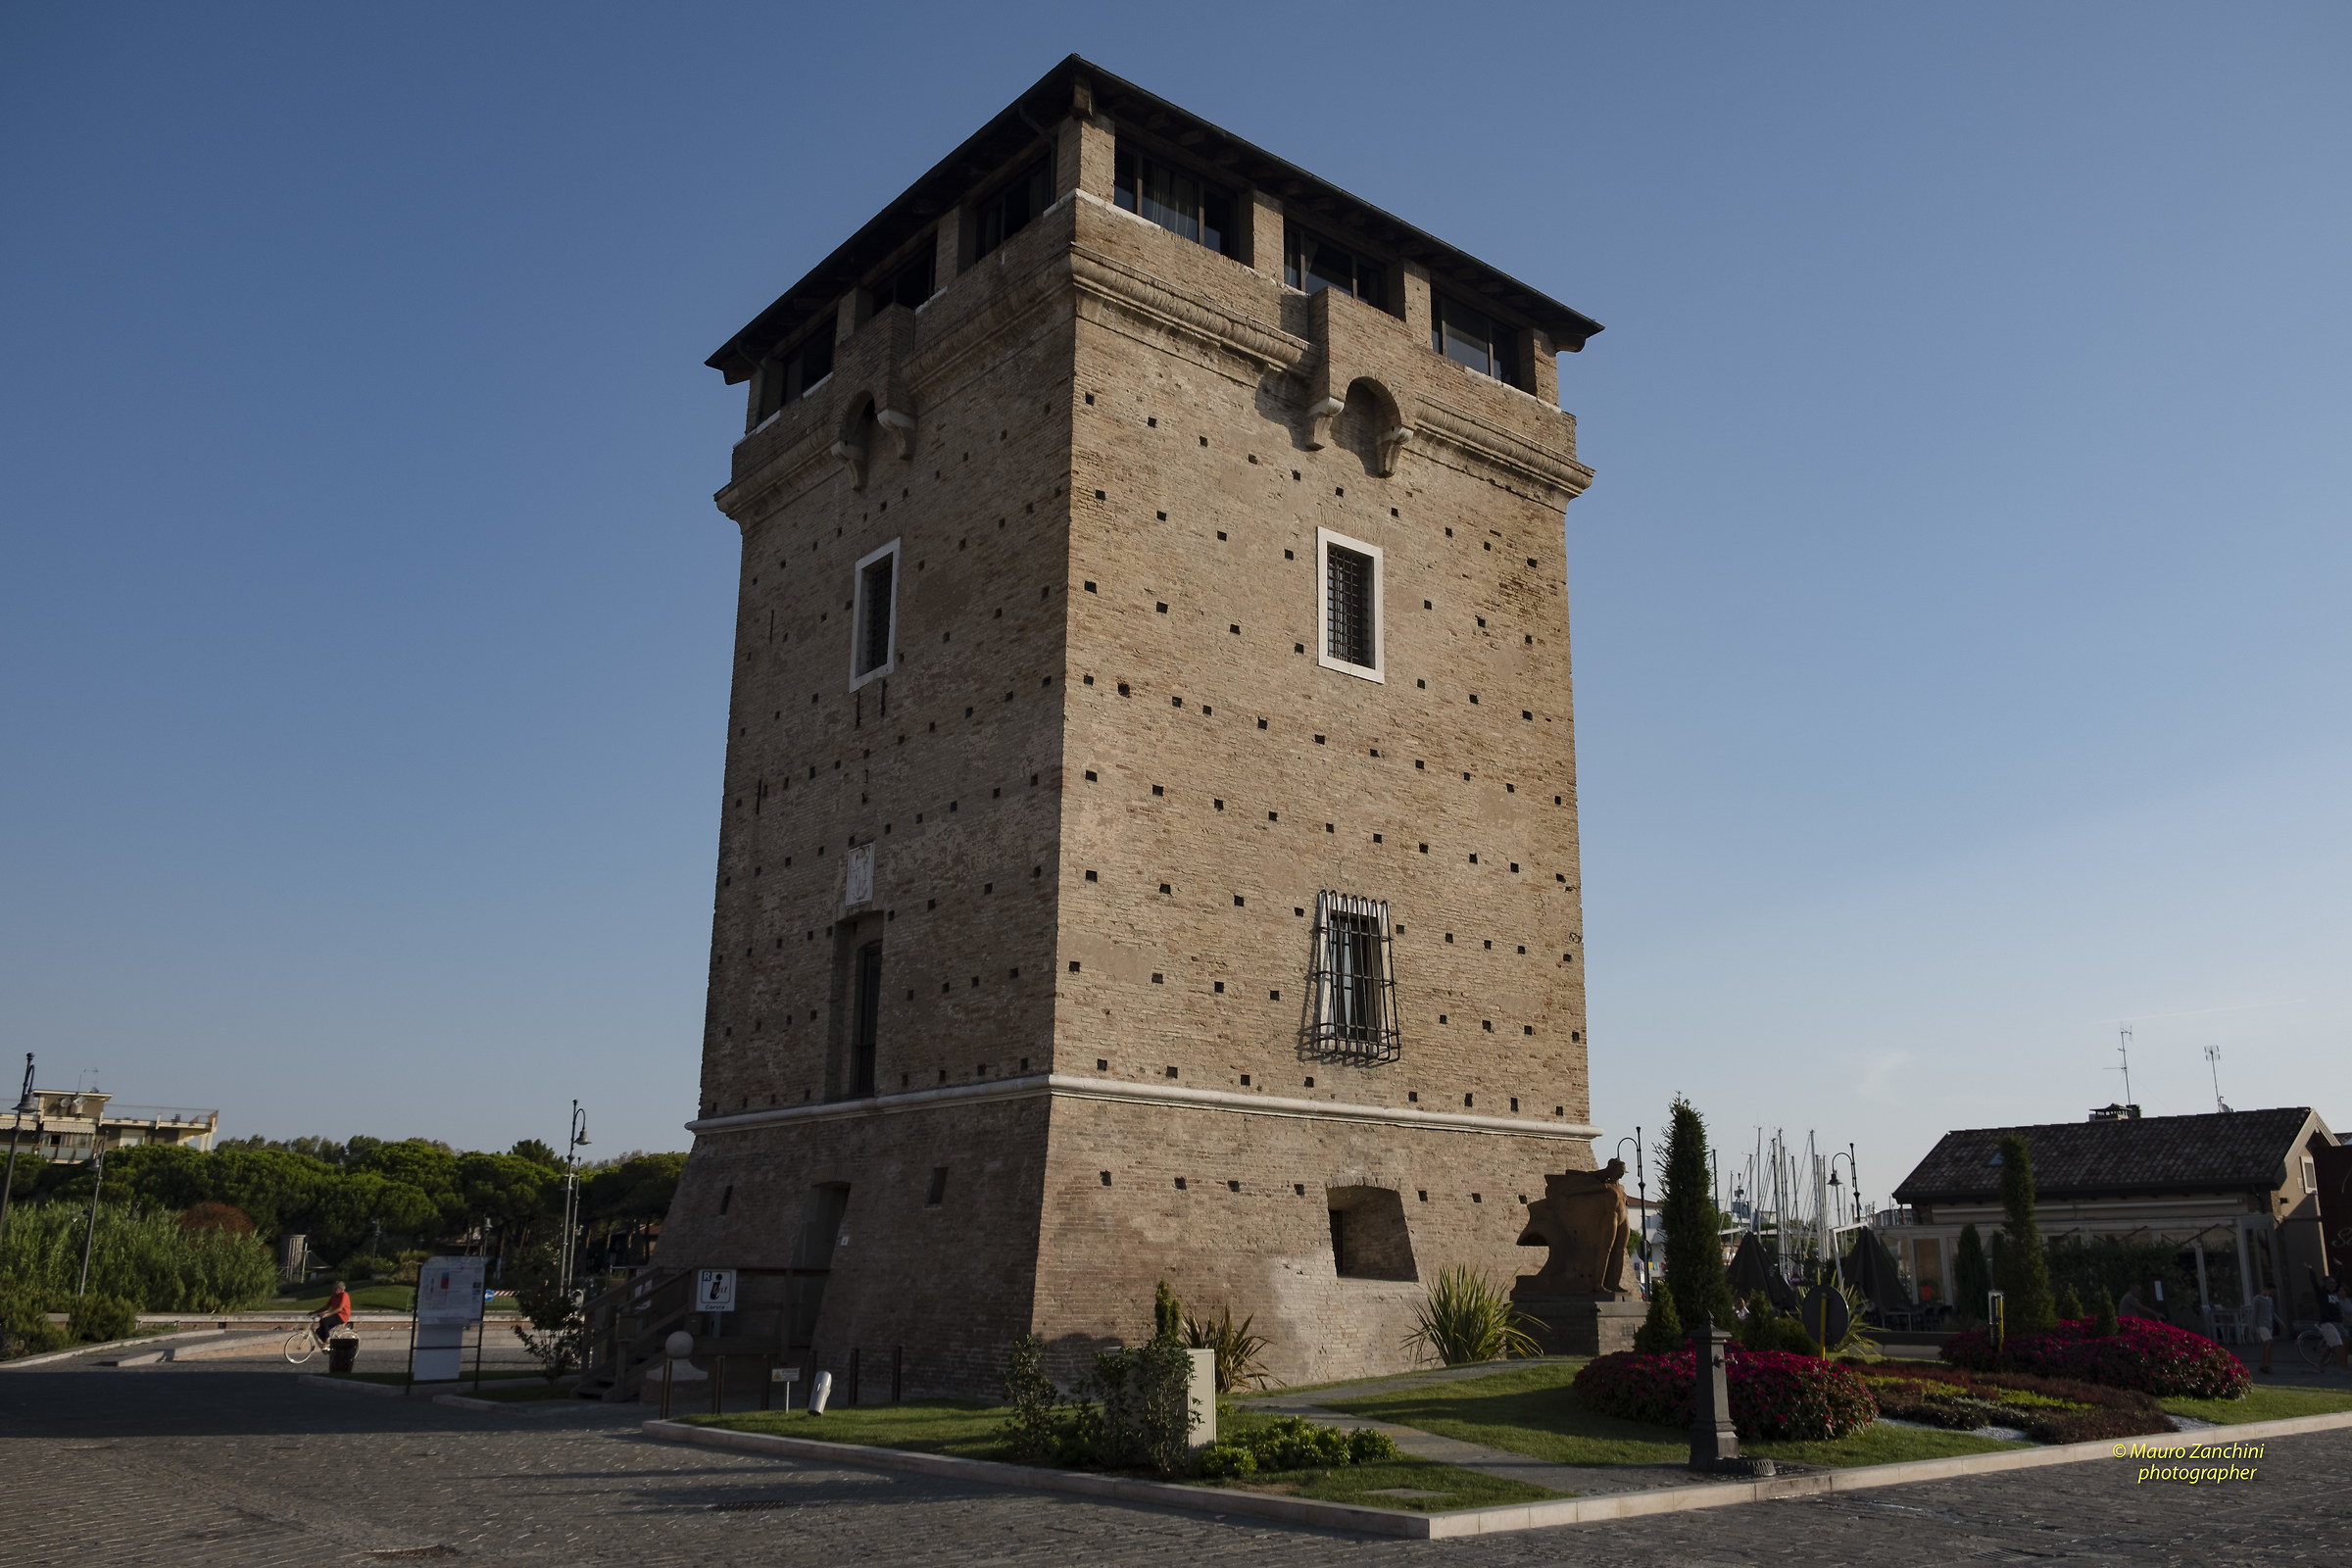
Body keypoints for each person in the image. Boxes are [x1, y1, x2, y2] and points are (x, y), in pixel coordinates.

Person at [2309, 1268, 2345, 1372]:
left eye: (2334, 1283)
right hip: (2327, 1322)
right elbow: (2314, 1283)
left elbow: (2339, 1279)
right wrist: (2311, 1271)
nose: (2333, 1285)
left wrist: (2340, 1267)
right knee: (2338, 1344)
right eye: (2331, 1283)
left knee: (2330, 1346)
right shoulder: (2322, 1293)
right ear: (2326, 1284)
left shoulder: (2334, 1292)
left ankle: (2319, 1365)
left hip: (2337, 1322)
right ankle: (2344, 1367)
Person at [2250, 1286, 2279, 1374]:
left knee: (2267, 1345)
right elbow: (2254, 1313)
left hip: (2269, 1324)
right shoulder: (2257, 1299)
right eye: (2271, 1291)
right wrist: (2253, 1327)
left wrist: (2280, 1322)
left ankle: (2262, 1364)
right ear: (2266, 1289)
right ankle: (2267, 1365)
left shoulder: (2269, 1300)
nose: (2271, 1294)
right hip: (2262, 1325)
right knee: (2269, 1342)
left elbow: (2272, 1312)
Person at [315, 1279, 352, 1347]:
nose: (333, 1289)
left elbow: (340, 1308)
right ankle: (329, 1346)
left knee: (324, 1320)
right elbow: (327, 1306)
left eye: (335, 1288)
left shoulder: (344, 1295)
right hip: (335, 1314)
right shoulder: (334, 1295)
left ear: (339, 1289)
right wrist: (315, 1312)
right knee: (319, 1331)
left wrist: (327, 1314)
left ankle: (327, 1339)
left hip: (342, 1316)